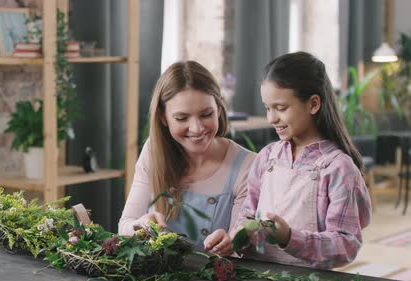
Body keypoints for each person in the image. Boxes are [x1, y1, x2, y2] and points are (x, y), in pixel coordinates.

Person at [232, 51, 371, 269]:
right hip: (257, 280)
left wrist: (289, 238)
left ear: (313, 104)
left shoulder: (338, 168)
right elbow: (247, 214)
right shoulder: (267, 158)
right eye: (267, 108)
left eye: (281, 108)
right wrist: (236, 238)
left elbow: (346, 244)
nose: (271, 118)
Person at [118, 60, 255, 255]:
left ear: (218, 107)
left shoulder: (247, 165)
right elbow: (125, 226)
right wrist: (139, 226)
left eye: (206, 114)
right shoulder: (153, 152)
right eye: (182, 118)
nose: (197, 128)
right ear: (163, 117)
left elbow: (242, 250)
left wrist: (232, 243)